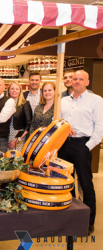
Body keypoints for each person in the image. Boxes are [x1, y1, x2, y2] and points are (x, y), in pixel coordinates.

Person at [59, 70, 103, 235]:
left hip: (82, 145)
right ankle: (69, 219)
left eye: (80, 79)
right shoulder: (63, 101)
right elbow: (58, 121)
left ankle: (88, 223)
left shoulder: (96, 100)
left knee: (86, 185)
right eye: (74, 79)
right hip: (64, 145)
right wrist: (65, 126)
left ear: (87, 82)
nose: (76, 81)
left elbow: (100, 128)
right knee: (65, 184)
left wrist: (87, 147)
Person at [6, 82, 32, 151]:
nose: (14, 90)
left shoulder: (25, 103)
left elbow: (28, 124)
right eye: (12, 88)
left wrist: (18, 139)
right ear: (8, 91)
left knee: (16, 159)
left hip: (18, 137)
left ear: (20, 91)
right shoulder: (4, 103)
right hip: (5, 137)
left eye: (17, 89)